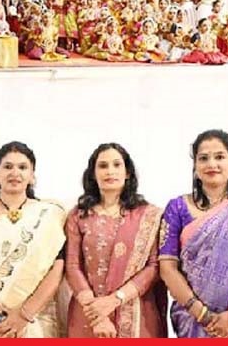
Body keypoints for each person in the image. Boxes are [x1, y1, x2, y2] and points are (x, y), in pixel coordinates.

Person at [159, 129, 228, 338]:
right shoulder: (177, 208)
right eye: (203, 158)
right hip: (195, 319)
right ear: (195, 166)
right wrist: (204, 316)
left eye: (219, 157)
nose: (212, 164)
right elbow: (167, 268)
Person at [0, 141, 66, 338]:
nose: (15, 173)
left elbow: (57, 269)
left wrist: (24, 315)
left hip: (35, 320)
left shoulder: (48, 216)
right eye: (8, 166)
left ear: (32, 175)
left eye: (22, 167)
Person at [65, 143, 167, 338]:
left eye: (116, 165)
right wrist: (97, 314)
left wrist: (115, 300)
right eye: (103, 166)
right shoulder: (79, 215)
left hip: (136, 312)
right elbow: (72, 266)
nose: (110, 171)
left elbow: (154, 266)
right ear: (93, 174)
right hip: (88, 314)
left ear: (127, 172)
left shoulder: (149, 215)